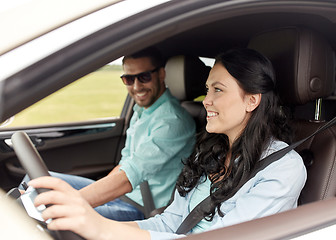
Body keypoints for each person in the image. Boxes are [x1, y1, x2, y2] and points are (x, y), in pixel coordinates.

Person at [29, 48, 307, 240]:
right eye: (207, 89)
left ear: (251, 100)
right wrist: (109, 230)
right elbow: (169, 222)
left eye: (218, 90)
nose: (206, 100)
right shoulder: (212, 152)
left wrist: (101, 228)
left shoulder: (283, 168)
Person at [21, 47, 196, 222]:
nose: (136, 86)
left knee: (48, 215)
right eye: (128, 79)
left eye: (144, 77)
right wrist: (99, 193)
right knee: (36, 182)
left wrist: (69, 202)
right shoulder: (143, 110)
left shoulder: (173, 122)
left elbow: (128, 177)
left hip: (139, 207)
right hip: (120, 195)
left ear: (161, 74)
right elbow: (125, 162)